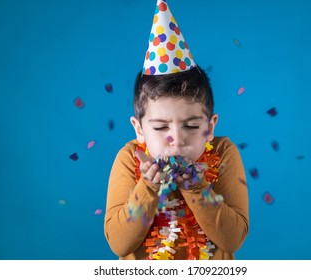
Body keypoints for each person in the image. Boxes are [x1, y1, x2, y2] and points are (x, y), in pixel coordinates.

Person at [104, 0, 249, 260]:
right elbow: (118, 243)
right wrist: (148, 187)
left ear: (210, 126)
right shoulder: (129, 158)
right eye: (160, 127)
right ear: (139, 130)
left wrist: (197, 189)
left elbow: (233, 238)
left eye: (192, 126)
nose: (177, 140)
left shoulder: (225, 153)